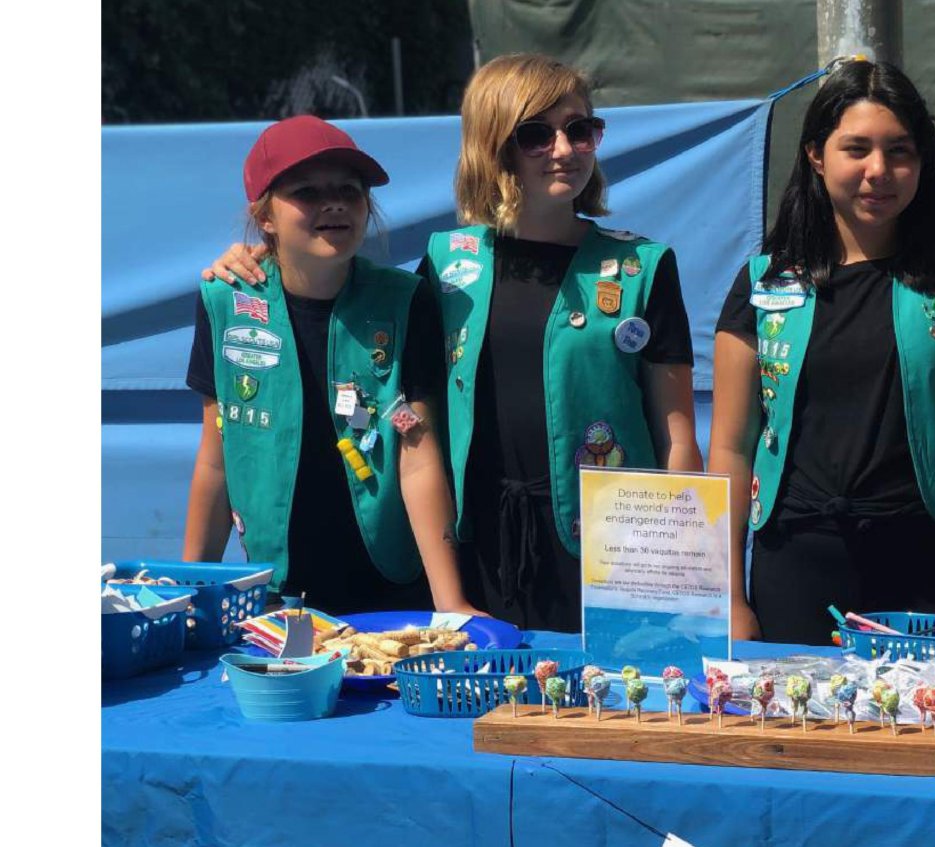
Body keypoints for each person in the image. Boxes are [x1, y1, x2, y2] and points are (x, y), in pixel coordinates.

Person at [209, 55, 703, 631]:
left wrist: (690, 577)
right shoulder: (447, 264)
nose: (565, 149)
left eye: (580, 129)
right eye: (537, 134)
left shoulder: (641, 267)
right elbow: (330, 293)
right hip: (476, 550)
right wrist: (256, 260)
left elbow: (677, 438)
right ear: (495, 147)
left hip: (610, 549)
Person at [708, 59, 935, 645]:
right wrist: (728, 598)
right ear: (816, 155)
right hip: (794, 565)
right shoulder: (764, 283)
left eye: (900, 151)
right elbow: (729, 446)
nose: (880, 170)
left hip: (926, 569)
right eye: (857, 149)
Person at [184, 116, 473, 615]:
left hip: (392, 591)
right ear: (265, 216)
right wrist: (189, 592)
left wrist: (451, 602)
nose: (334, 203)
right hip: (275, 596)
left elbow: (420, 458)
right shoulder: (224, 302)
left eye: (349, 190)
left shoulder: (406, 301)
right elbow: (215, 461)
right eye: (307, 192)